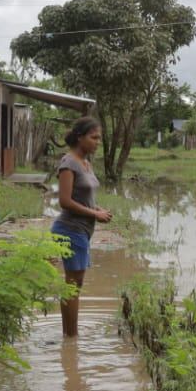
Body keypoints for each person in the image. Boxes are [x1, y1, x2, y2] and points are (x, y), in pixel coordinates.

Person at [51, 117, 112, 337]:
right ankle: (71, 339)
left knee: (74, 287)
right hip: (69, 230)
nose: (97, 142)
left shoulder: (86, 163)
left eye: (99, 138)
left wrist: (96, 208)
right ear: (80, 137)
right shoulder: (69, 163)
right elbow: (65, 202)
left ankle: (69, 336)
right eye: (94, 137)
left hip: (82, 231)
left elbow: (84, 196)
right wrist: (95, 213)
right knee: (72, 288)